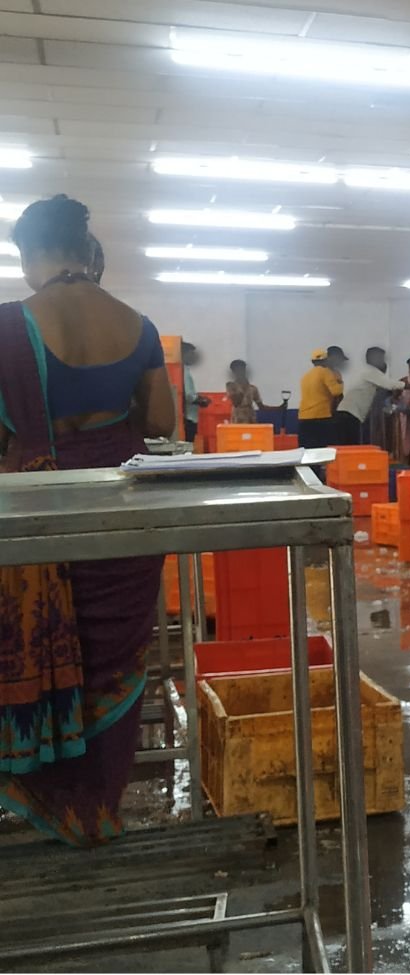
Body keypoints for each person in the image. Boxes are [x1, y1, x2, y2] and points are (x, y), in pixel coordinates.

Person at [0, 194, 174, 845]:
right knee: (117, 662)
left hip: (35, 521)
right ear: (88, 250)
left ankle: (45, 795)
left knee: (38, 653)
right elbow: (160, 424)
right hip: (121, 517)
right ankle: (97, 805)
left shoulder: (8, 326)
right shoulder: (139, 324)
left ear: (28, 255)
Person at [338, 345, 402, 446]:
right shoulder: (370, 371)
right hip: (350, 414)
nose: (384, 362)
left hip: (349, 413)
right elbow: (391, 385)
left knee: (351, 444)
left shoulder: (367, 373)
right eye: (381, 358)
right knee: (352, 446)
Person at [297, 346, 343, 448]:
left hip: (304, 417)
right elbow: (337, 392)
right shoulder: (326, 372)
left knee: (308, 449)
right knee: (324, 450)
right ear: (326, 360)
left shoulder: (305, 376)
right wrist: (339, 381)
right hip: (321, 416)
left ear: (313, 361)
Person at [180, 341, 208, 441]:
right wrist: (202, 401)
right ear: (183, 354)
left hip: (187, 416)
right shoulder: (183, 371)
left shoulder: (182, 370)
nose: (193, 357)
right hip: (188, 417)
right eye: (191, 354)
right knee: (188, 445)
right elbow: (188, 396)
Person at [225, 358, 264, 425]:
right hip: (238, 419)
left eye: (243, 370)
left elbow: (261, 407)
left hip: (251, 418)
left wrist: (279, 408)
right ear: (233, 372)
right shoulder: (231, 386)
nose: (241, 372)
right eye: (238, 370)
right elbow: (236, 402)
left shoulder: (253, 388)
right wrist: (243, 385)